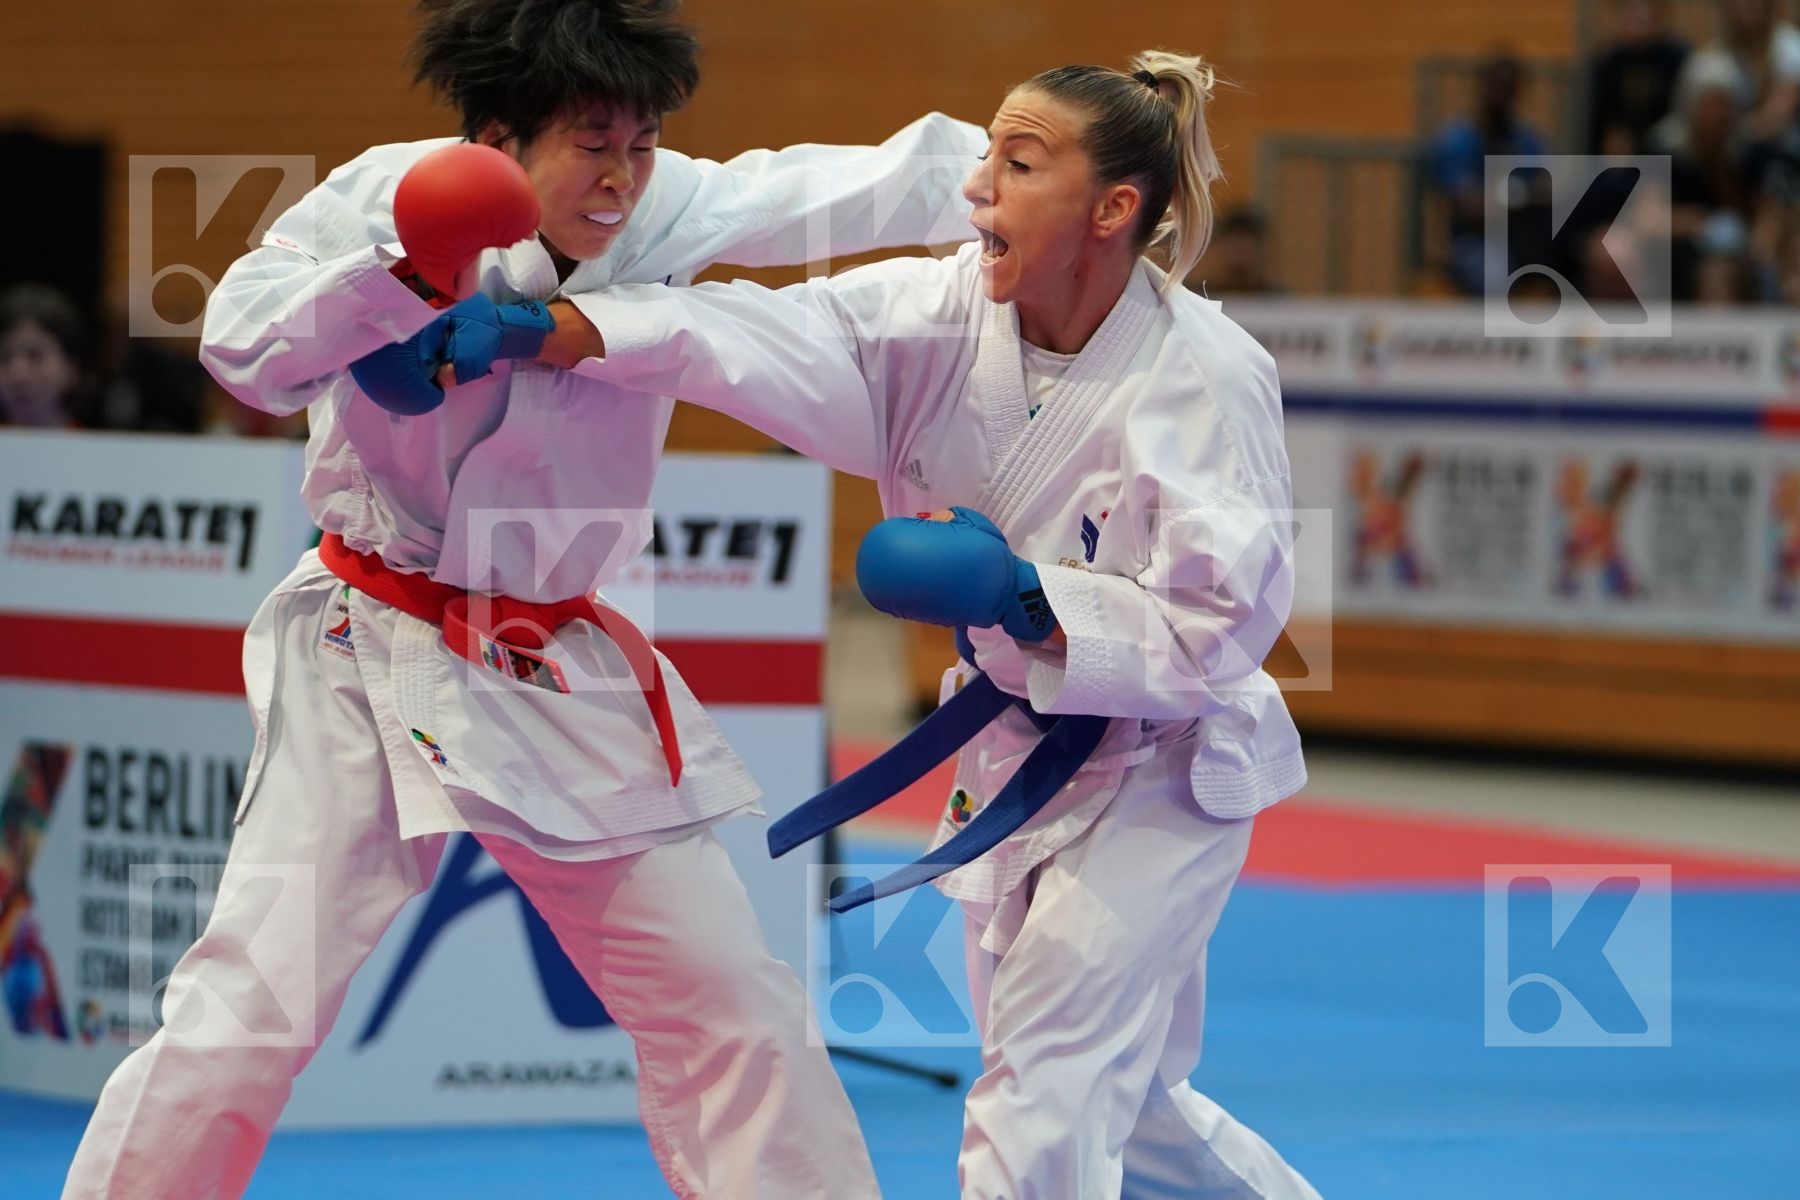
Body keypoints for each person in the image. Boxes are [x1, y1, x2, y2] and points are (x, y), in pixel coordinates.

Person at [61, 1, 983, 1197]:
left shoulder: (666, 208)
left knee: (730, 1000)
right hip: (369, 643)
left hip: (549, 660)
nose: (622, 175)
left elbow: (850, 185)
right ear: (500, 138)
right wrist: (395, 279)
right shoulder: (389, 194)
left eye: (642, 142)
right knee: (251, 1003)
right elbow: (242, 347)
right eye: (592, 142)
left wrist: (1040, 165)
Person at [552, 49, 1320, 1200]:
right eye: (984, 162)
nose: (979, 191)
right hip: (1010, 749)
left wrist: (1031, 602)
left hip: (1165, 773)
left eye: (1018, 165)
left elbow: (1226, 628)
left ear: (1114, 210)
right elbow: (751, 335)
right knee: (1141, 1115)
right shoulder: (933, 313)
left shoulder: (1205, 375)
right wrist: (577, 328)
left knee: (1044, 1092)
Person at [1425, 51, 1551, 295]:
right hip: (1475, 244)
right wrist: (1524, 199)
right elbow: (1473, 210)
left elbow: (1551, 194)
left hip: (1525, 242)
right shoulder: (1457, 140)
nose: (1502, 96)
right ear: (1481, 86)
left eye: (1510, 88)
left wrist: (1504, 199)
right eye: (1496, 86)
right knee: (1495, 273)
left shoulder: (1526, 140)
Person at [0, 283, 93, 428]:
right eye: (4, 357)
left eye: (35, 356)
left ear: (72, 368)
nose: (17, 374)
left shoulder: (98, 448)